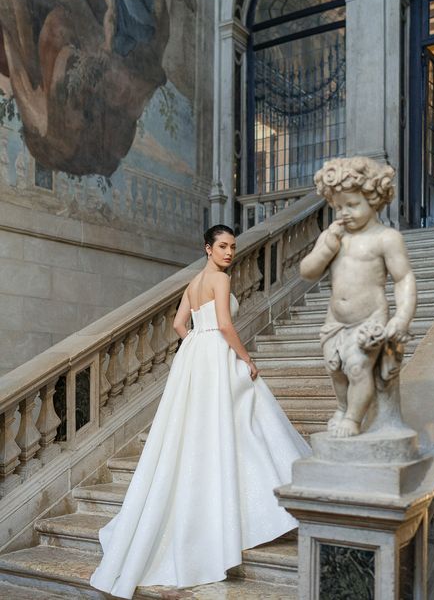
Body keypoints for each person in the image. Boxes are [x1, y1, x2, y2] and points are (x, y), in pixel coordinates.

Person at [90, 224, 310, 597]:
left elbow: (179, 324)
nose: (229, 252)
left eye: (233, 247)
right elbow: (225, 324)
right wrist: (246, 357)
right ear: (208, 248)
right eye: (223, 246)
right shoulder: (220, 280)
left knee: (201, 431)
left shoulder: (193, 283)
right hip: (216, 356)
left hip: (193, 358)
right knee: (241, 419)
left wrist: (196, 343)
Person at [300, 157, 416, 438]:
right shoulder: (335, 236)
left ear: (374, 199)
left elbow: (403, 279)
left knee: (357, 366)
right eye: (338, 207)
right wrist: (326, 248)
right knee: (334, 368)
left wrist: (402, 317)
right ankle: (342, 407)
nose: (344, 213)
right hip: (335, 320)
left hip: (370, 319)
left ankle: (353, 418)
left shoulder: (385, 238)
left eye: (352, 205)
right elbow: (307, 271)